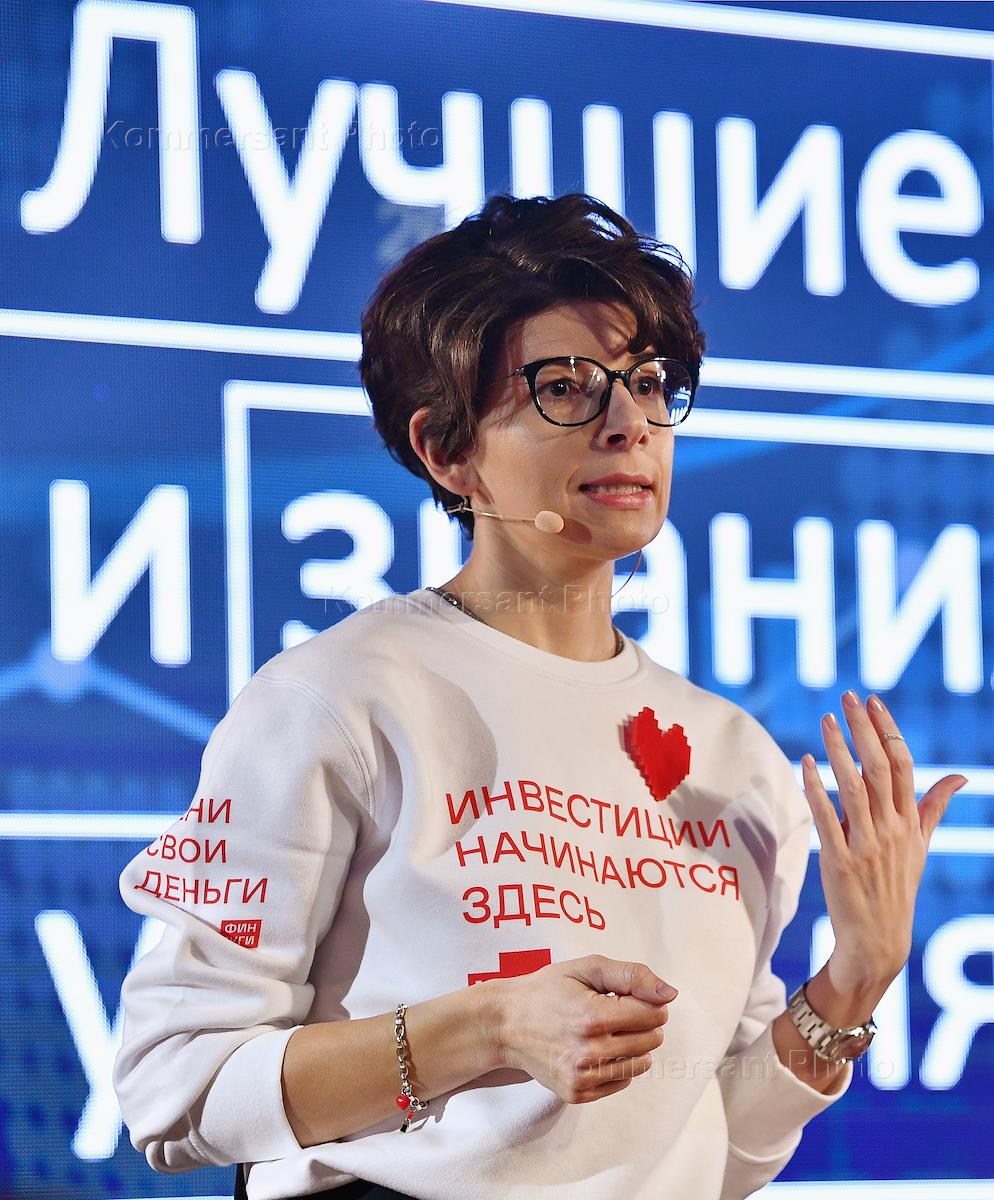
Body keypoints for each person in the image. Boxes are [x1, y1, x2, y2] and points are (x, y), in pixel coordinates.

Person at [112, 192, 966, 1200]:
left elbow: (711, 1156)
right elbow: (176, 1085)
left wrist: (853, 982)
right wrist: (486, 1027)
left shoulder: (734, 758)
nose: (628, 425)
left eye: (649, 385)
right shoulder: (340, 697)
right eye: (566, 389)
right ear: (447, 449)